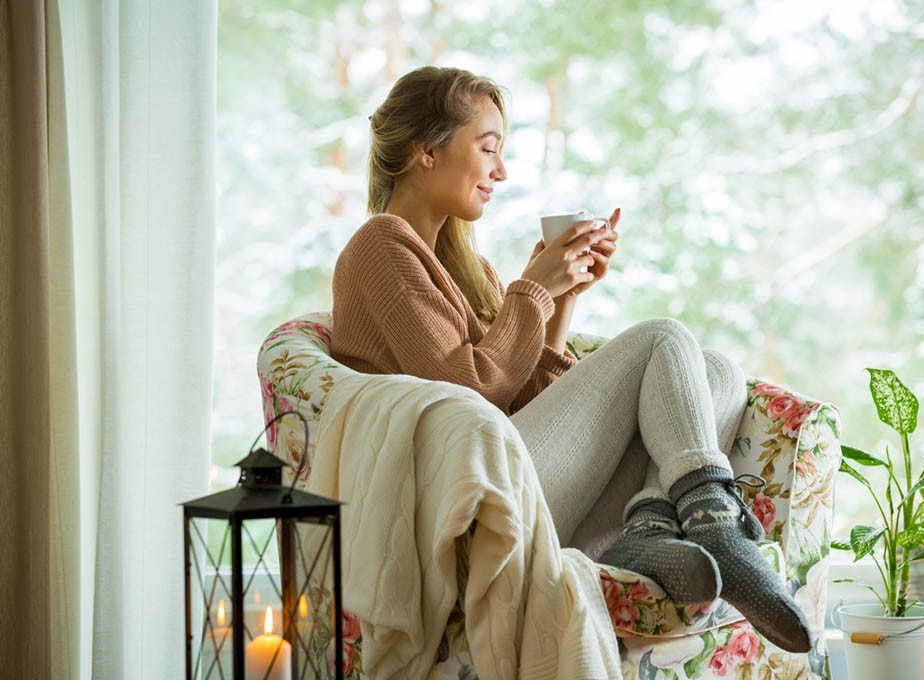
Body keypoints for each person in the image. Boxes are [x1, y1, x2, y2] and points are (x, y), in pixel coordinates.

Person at [330, 65, 811, 653]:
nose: (500, 172)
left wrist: (559, 300)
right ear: (426, 150)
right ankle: (717, 525)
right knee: (662, 336)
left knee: (718, 373)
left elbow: (523, 405)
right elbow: (468, 398)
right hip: (462, 518)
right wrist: (532, 289)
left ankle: (651, 528)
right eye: (489, 149)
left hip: (514, 483)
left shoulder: (469, 270)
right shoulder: (380, 247)